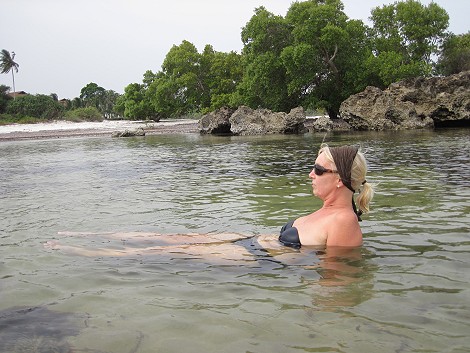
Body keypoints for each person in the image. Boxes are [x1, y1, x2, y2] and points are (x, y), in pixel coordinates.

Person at [278, 143, 374, 248]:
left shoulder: (343, 221)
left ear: (340, 179)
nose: (311, 175)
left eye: (318, 170)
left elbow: (338, 263)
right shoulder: (329, 214)